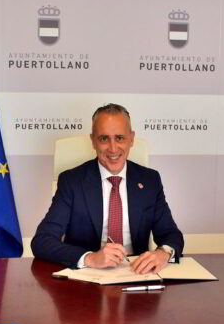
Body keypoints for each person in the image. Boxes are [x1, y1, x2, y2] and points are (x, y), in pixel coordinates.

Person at [31, 103, 184, 274]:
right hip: (87, 278)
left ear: (131, 138)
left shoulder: (150, 180)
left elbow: (171, 233)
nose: (112, 148)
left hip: (137, 275)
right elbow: (42, 241)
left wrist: (163, 253)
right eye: (104, 138)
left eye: (119, 138)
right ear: (93, 140)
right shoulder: (72, 181)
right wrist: (90, 258)